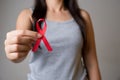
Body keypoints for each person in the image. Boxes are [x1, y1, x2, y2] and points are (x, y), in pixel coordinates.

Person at [4, 0, 101, 80]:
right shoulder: (27, 15)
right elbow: (19, 53)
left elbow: (92, 63)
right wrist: (14, 53)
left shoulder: (83, 16)